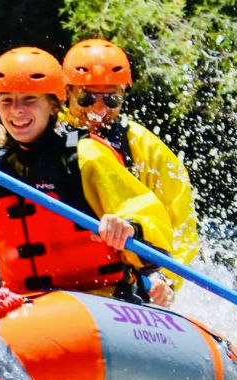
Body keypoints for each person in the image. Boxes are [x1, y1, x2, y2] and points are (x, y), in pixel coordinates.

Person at [0, 46, 173, 310]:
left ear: (54, 105)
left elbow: (146, 215)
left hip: (99, 302)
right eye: (7, 101)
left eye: (29, 99)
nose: (17, 111)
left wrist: (130, 227)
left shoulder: (86, 156)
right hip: (25, 306)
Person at [61, 38, 199, 304]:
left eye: (111, 99)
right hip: (51, 276)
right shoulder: (44, 135)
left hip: (122, 286)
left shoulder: (148, 149)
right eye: (87, 97)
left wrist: (167, 280)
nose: (99, 110)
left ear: (124, 94)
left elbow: (181, 228)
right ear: (67, 93)